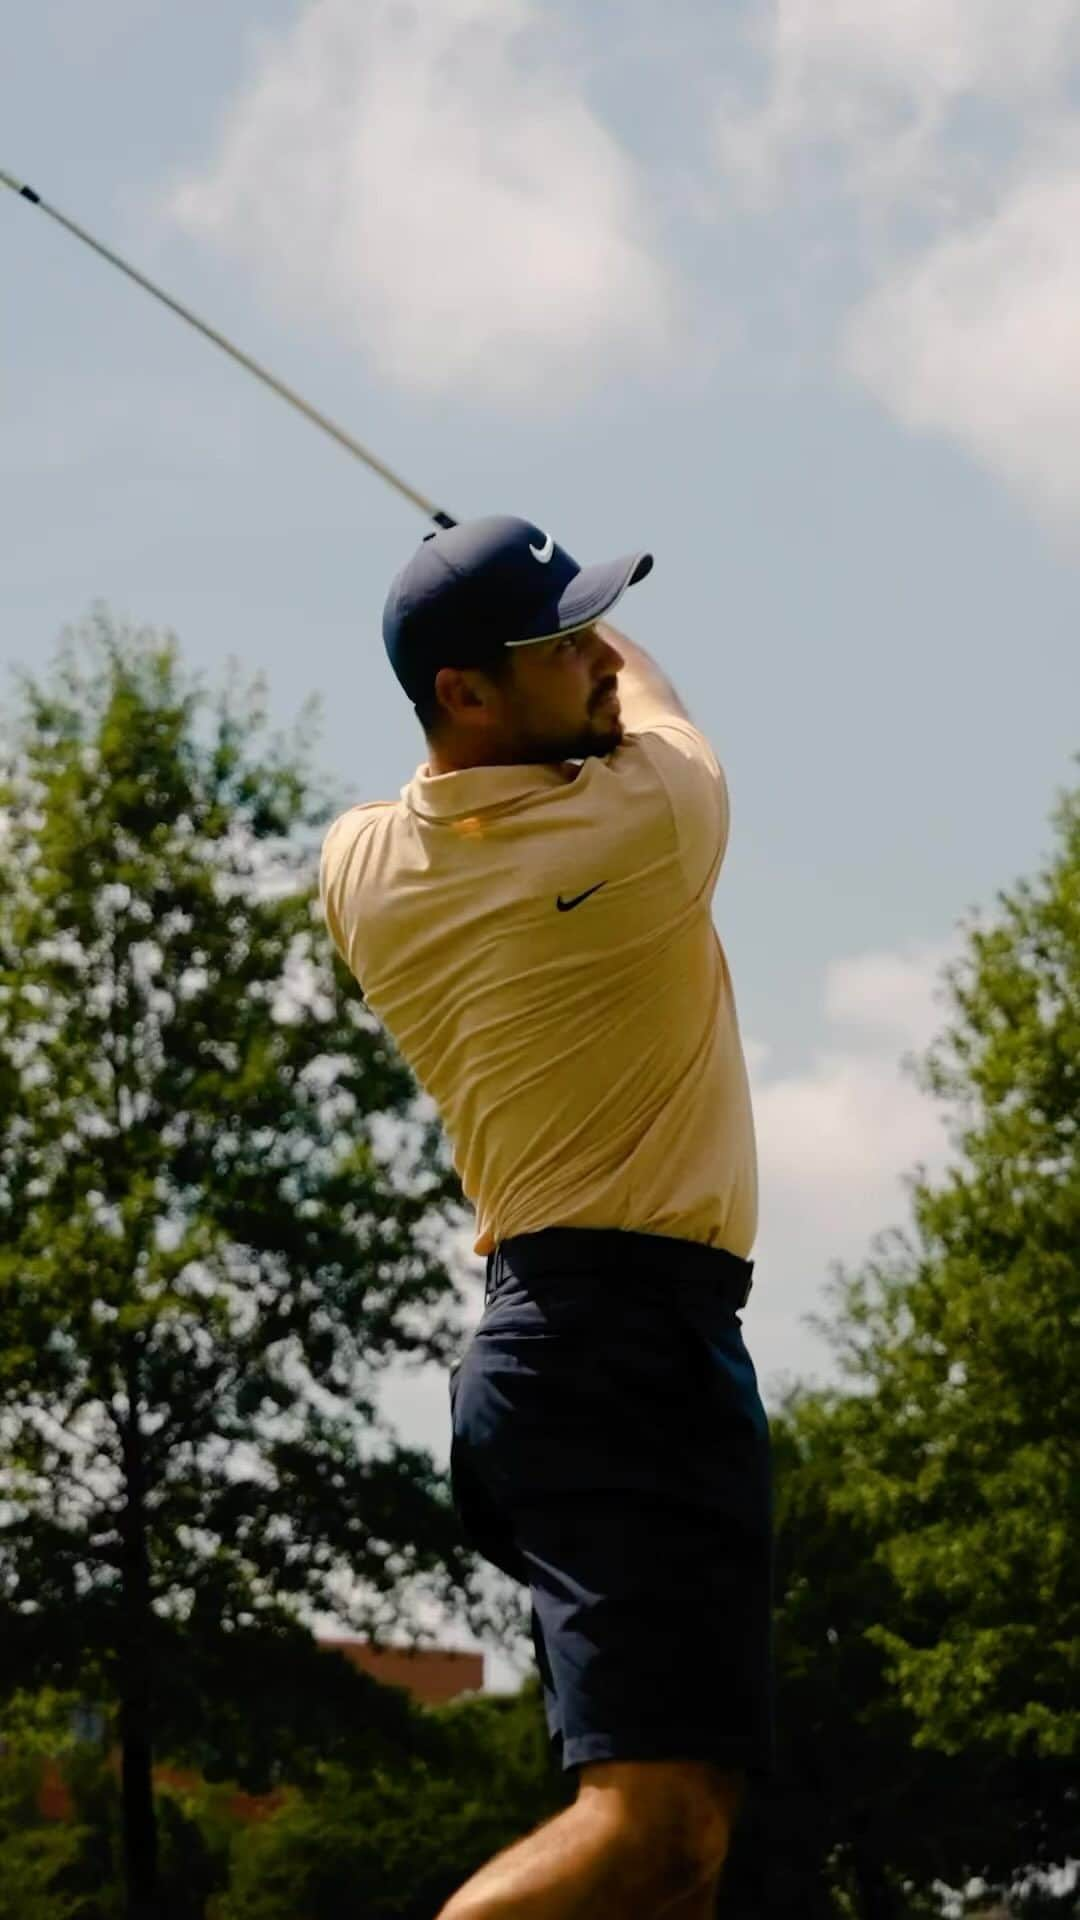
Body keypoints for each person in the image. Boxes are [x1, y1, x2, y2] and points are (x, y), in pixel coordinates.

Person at [319, 516, 773, 1919]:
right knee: (653, 1830)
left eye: (589, 630)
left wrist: (520, 625)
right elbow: (659, 704)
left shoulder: (362, 870)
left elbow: (553, 718)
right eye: (554, 644)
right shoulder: (644, 823)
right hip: (624, 1353)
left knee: (676, 1866)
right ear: (464, 692)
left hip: (552, 1359)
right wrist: (602, 650)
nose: (591, 660)